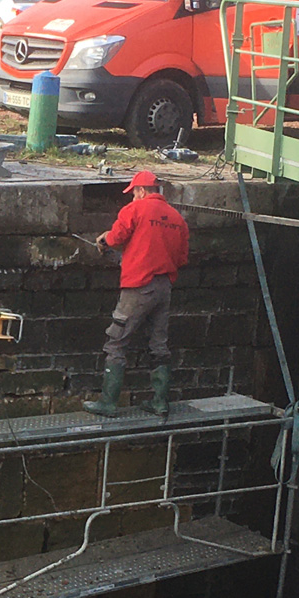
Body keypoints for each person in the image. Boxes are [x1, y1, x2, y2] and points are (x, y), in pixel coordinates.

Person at [83, 171, 190, 418]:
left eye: (133, 193)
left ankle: (108, 403)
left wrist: (104, 240)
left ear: (142, 190)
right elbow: (182, 258)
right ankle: (160, 402)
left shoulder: (136, 210)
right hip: (164, 287)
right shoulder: (177, 220)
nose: (132, 197)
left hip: (138, 287)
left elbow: (117, 236)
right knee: (159, 346)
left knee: (116, 342)